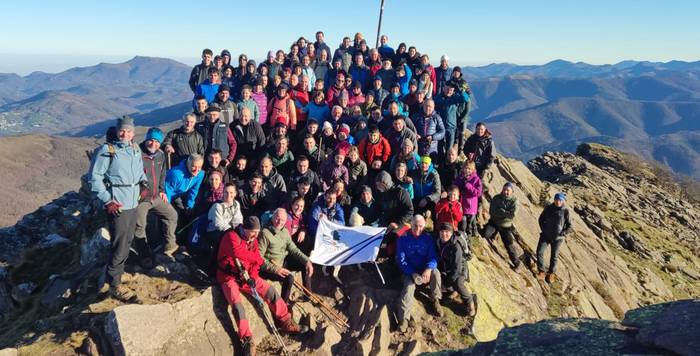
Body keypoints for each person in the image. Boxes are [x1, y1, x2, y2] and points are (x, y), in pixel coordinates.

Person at [217, 216, 308, 355]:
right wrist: (257, 258)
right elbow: (238, 253)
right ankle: (247, 339)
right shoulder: (231, 236)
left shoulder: (252, 241)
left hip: (246, 276)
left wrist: (252, 277)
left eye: (257, 232)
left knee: (269, 291)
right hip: (228, 277)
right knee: (237, 304)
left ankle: (286, 321)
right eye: (253, 231)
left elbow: (255, 263)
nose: (256, 235)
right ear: (245, 229)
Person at [90, 116, 147, 302]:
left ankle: (117, 275)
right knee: (120, 244)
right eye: (122, 130)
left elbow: (139, 172)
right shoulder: (108, 150)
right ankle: (114, 285)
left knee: (128, 240)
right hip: (118, 205)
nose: (125, 134)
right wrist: (108, 201)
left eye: (129, 131)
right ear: (117, 131)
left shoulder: (135, 149)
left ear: (133, 133)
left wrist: (143, 185)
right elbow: (95, 178)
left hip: (133, 202)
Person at [134, 128, 179, 264]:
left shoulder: (160, 155)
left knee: (172, 215)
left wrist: (162, 190)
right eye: (151, 140)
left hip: (155, 196)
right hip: (141, 199)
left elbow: (163, 173)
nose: (153, 144)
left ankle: (169, 246)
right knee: (140, 226)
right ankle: (144, 254)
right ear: (146, 139)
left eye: (157, 141)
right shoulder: (137, 154)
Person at [396, 215, 442, 330]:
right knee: (408, 288)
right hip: (408, 271)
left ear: (424, 225)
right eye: (415, 226)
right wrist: (412, 273)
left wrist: (428, 268)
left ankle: (435, 299)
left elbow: (433, 256)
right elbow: (401, 260)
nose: (418, 229)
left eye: (420, 226)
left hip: (424, 269)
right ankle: (403, 319)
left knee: (436, 273)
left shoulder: (428, 238)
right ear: (411, 225)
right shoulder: (402, 238)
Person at [259, 209, 314, 303]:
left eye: (283, 220)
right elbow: (259, 258)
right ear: (273, 217)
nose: (280, 222)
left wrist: (307, 261)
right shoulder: (265, 233)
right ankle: (284, 304)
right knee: (289, 278)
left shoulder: (284, 231)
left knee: (304, 265)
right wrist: (276, 269)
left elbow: (293, 249)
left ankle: (307, 294)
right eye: (277, 218)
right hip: (270, 267)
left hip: (282, 261)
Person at [435, 223, 475, 317]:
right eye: (442, 232)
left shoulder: (456, 246)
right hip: (447, 268)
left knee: (457, 283)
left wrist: (448, 282)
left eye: (447, 232)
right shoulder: (438, 241)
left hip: (460, 270)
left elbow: (457, 268)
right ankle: (453, 292)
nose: (444, 234)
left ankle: (469, 301)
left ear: (452, 233)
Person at [482, 183, 521, 270]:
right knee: (485, 234)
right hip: (494, 222)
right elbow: (492, 212)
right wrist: (505, 214)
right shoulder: (496, 198)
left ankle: (517, 263)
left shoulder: (514, 201)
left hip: (506, 226)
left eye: (508, 190)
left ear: (512, 192)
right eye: (504, 190)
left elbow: (512, 215)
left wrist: (501, 211)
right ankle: (493, 234)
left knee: (509, 245)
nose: (506, 192)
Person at [537, 193, 572, 283]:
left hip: (558, 238)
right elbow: (541, 219)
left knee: (554, 256)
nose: (558, 201)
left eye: (560, 200)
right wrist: (544, 229)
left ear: (563, 201)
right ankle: (541, 271)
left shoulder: (565, 211)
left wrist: (563, 233)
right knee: (539, 252)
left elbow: (569, 226)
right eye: (556, 199)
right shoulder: (549, 208)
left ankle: (551, 273)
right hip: (546, 235)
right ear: (554, 200)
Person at [434, 82, 469, 159]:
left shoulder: (455, 97)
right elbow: (436, 105)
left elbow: (466, 99)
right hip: (440, 127)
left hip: (451, 127)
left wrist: (460, 90)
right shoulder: (438, 98)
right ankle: (441, 164)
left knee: (449, 148)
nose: (448, 91)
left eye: (451, 90)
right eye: (447, 89)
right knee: (439, 146)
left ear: (453, 90)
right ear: (443, 88)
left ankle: (448, 164)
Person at [454, 161, 482, 236]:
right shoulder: (460, 177)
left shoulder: (476, 179)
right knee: (463, 222)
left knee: (469, 224)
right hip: (462, 204)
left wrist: (468, 185)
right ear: (463, 168)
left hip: (471, 207)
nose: (467, 170)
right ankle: (462, 235)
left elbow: (478, 193)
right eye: (466, 168)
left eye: (469, 169)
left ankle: (469, 238)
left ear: (473, 169)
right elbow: (455, 186)